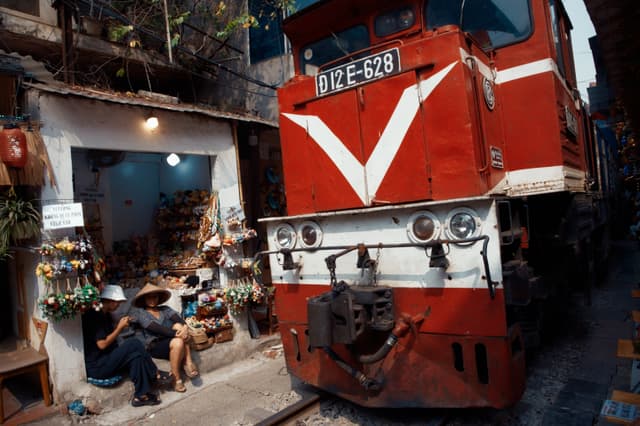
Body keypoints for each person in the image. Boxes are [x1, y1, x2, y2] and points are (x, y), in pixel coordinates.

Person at [82, 285, 170, 407]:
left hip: (107, 358)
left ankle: (141, 396)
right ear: (109, 301)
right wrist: (119, 328)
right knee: (133, 343)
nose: (119, 306)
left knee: (136, 356)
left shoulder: (105, 314)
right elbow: (102, 345)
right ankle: (154, 373)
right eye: (117, 302)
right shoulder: (95, 316)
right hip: (98, 367)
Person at [132, 282, 199, 393]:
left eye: (155, 297)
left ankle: (188, 361)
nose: (152, 300)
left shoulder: (165, 309)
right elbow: (154, 328)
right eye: (149, 298)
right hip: (155, 345)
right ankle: (176, 379)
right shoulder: (141, 313)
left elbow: (179, 320)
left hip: (172, 340)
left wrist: (185, 328)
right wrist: (176, 333)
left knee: (178, 326)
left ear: (158, 298)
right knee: (178, 340)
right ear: (144, 299)